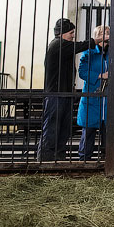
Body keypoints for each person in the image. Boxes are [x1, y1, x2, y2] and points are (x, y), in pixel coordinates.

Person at [36, 18, 95, 162]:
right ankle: (45, 159)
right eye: (71, 32)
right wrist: (96, 40)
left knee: (63, 129)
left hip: (64, 94)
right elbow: (81, 46)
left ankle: (58, 157)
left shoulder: (63, 47)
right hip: (56, 95)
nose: (73, 35)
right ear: (62, 33)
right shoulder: (58, 45)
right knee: (52, 128)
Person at [76, 25, 114, 161]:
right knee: (88, 133)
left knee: (109, 133)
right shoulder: (89, 52)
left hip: (108, 100)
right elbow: (82, 72)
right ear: (97, 37)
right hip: (92, 100)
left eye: (108, 32)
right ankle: (84, 160)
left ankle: (110, 160)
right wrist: (101, 75)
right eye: (103, 33)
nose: (106, 35)